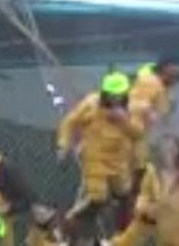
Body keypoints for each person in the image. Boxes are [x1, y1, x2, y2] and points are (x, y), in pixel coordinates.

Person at [56, 71, 145, 232]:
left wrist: (124, 121)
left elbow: (138, 134)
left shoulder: (132, 109)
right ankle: (69, 224)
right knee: (98, 198)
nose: (115, 99)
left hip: (118, 161)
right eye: (111, 95)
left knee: (124, 194)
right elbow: (69, 122)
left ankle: (122, 231)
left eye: (119, 95)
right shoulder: (91, 104)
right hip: (94, 159)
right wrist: (63, 145)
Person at [128, 57, 179, 196]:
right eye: (172, 75)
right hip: (131, 137)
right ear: (163, 71)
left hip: (138, 139)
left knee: (139, 176)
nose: (174, 80)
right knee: (135, 177)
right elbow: (136, 106)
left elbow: (162, 116)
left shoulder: (161, 89)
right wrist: (150, 112)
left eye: (176, 76)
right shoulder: (151, 83)